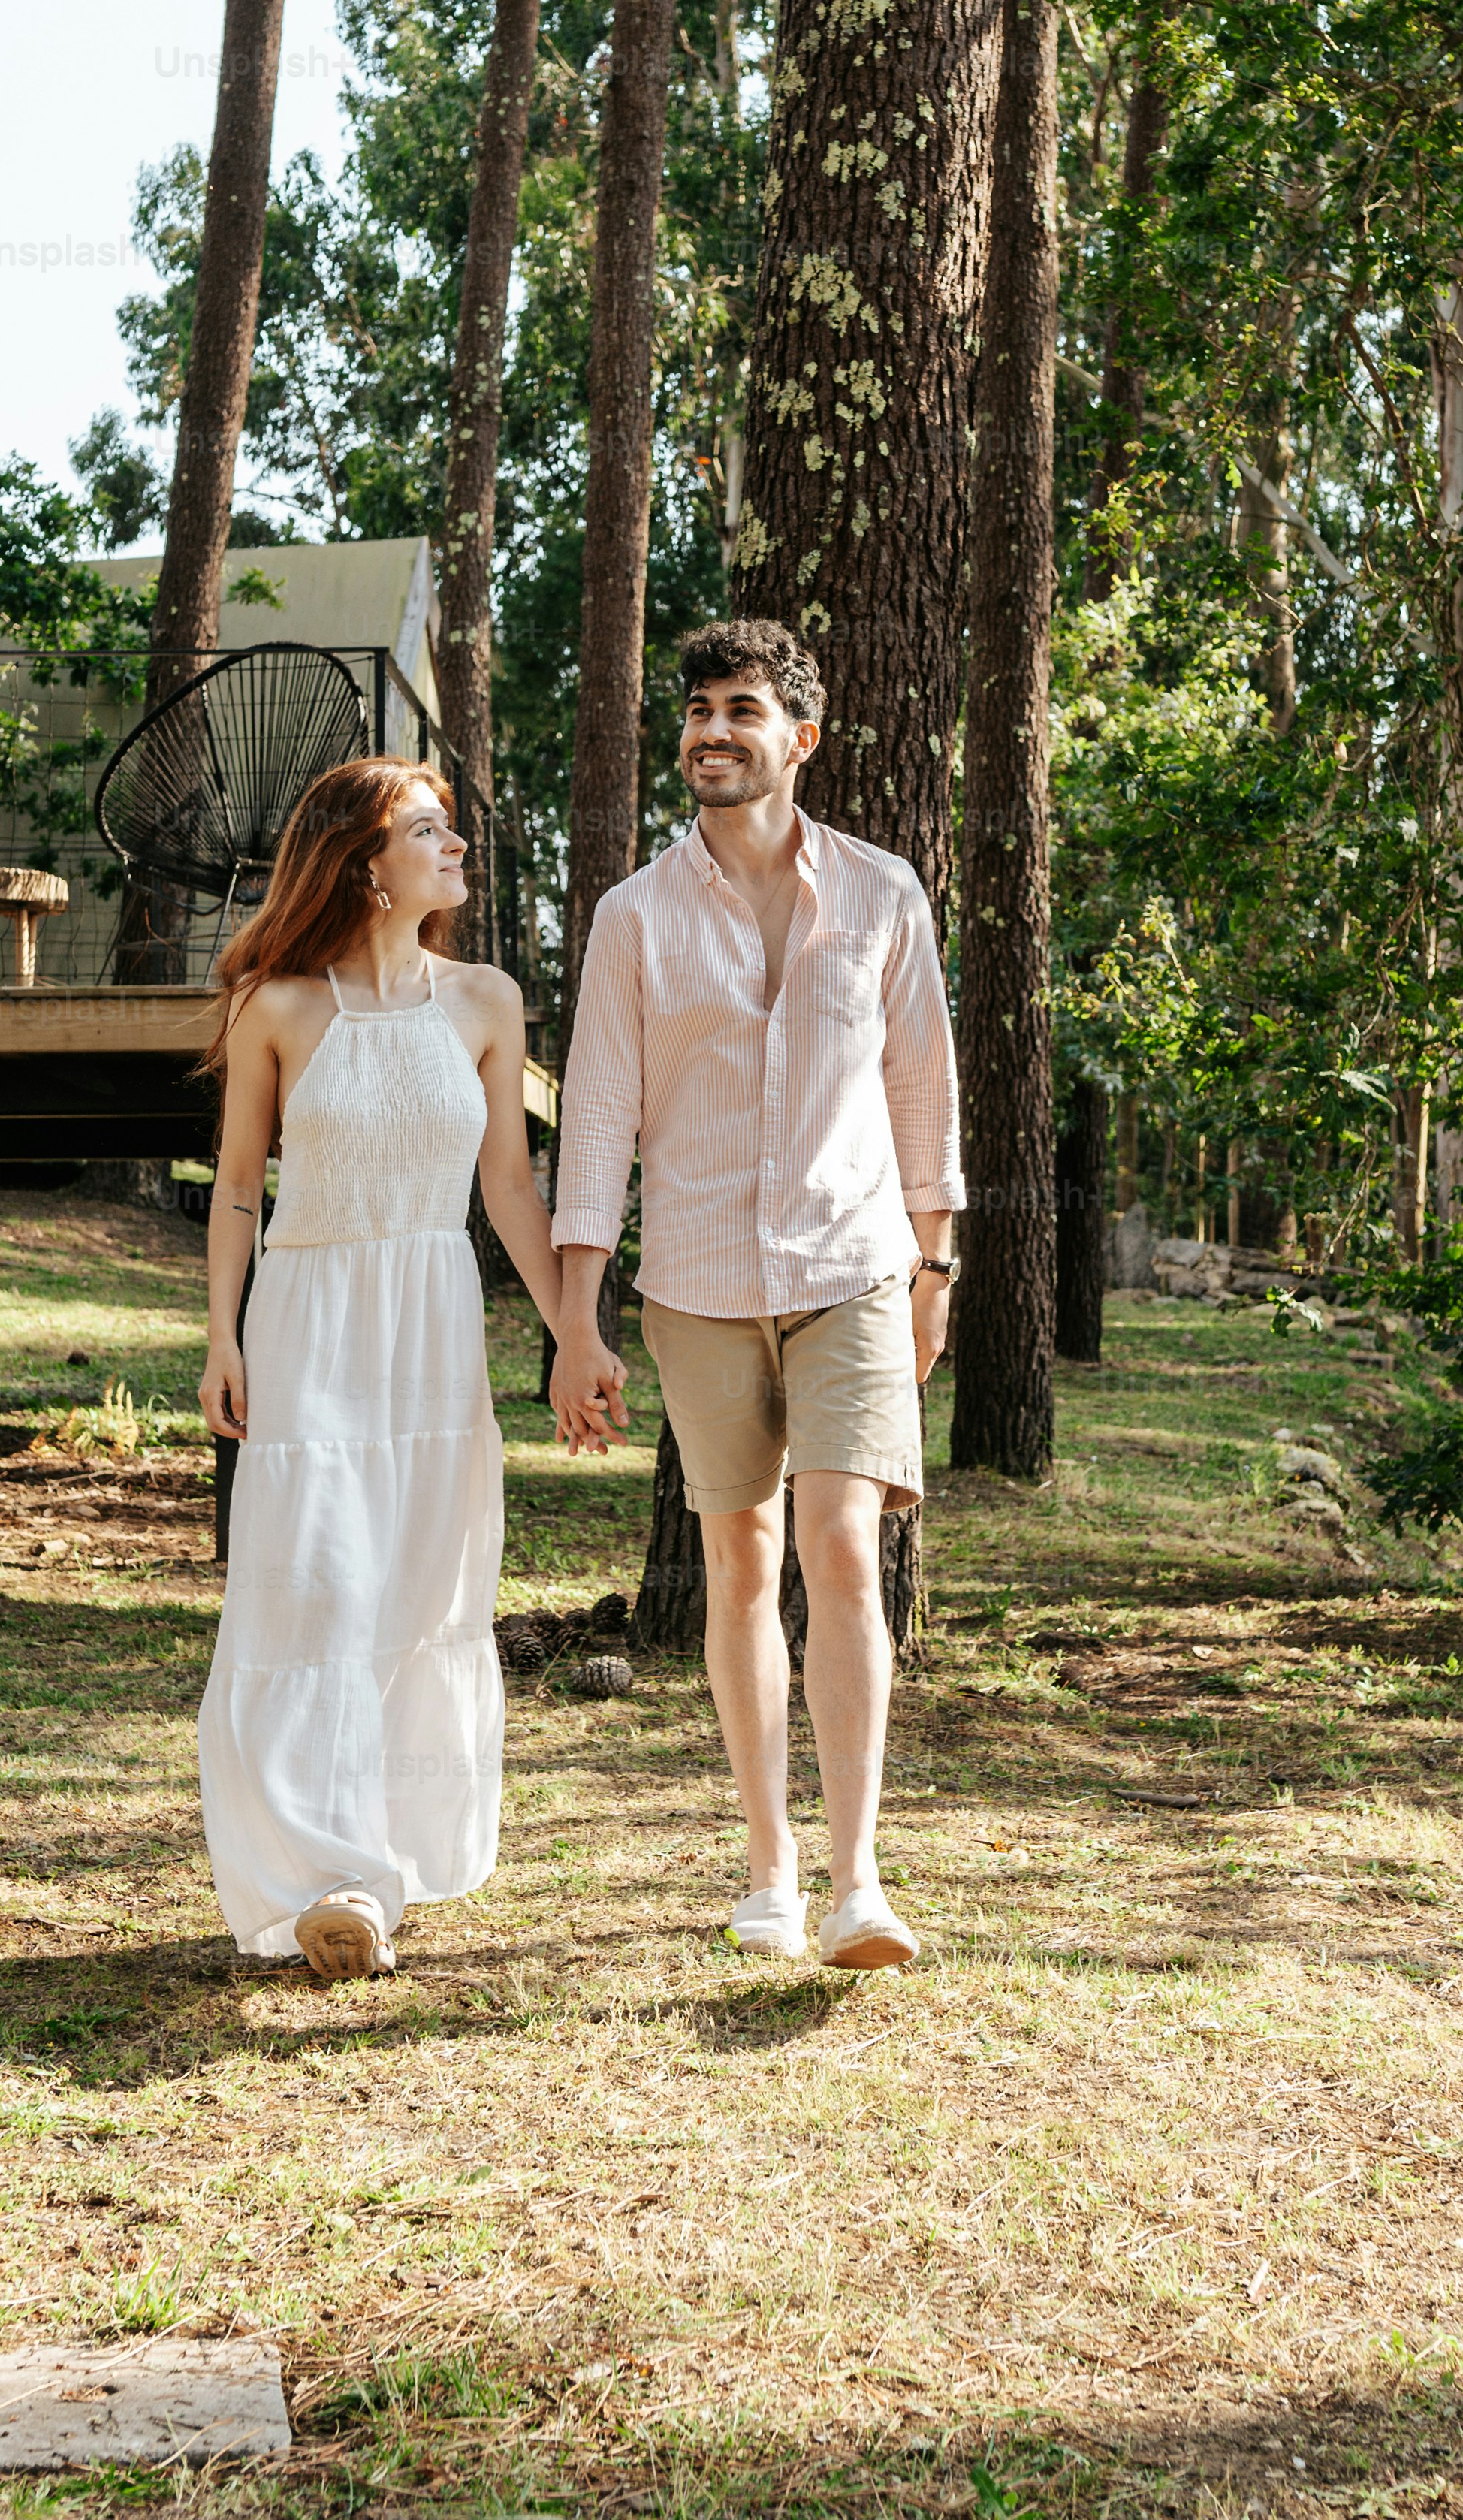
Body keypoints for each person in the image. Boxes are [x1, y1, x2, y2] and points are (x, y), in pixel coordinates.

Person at [547, 620, 963, 1971]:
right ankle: (768, 1869)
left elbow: (921, 1095)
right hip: (701, 1285)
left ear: (802, 737)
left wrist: (936, 1260)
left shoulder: (886, 894)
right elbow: (598, 1122)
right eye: (697, 711)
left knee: (843, 1546)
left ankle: (858, 1881)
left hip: (853, 1269)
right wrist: (576, 1318)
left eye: (742, 709)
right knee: (739, 1561)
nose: (711, 731)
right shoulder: (634, 916)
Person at [195, 756, 575, 1981]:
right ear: (366, 864)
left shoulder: (484, 1002)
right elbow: (238, 1188)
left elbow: (509, 1186)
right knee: (315, 1590)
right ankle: (326, 1879)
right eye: (430, 830)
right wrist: (222, 1334)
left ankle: (379, 1869)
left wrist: (576, 1327)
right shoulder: (278, 1006)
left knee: (414, 1595)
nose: (456, 848)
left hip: (432, 1322)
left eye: (452, 828)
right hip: (309, 1323)